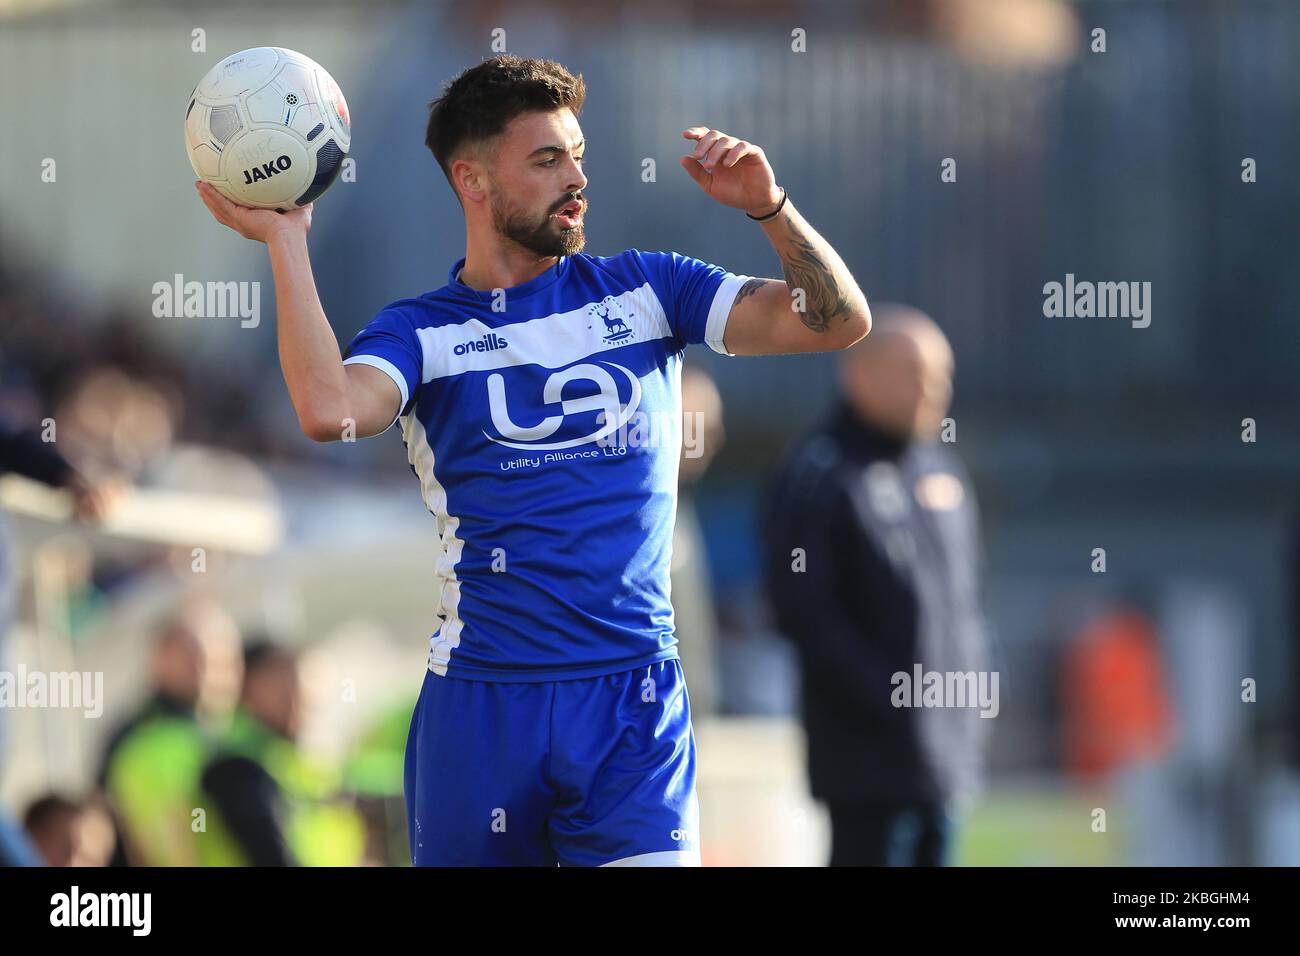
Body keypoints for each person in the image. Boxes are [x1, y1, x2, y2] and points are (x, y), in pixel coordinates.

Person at [194, 54, 871, 866]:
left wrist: (771, 207)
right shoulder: (420, 332)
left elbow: (836, 323)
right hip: (482, 709)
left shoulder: (651, 290)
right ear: (472, 182)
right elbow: (327, 411)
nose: (576, 177)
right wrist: (287, 239)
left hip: (633, 702)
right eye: (547, 160)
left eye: (577, 154)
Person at [761, 305, 992, 866]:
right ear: (859, 375)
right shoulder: (820, 474)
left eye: (942, 376)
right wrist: (893, 702)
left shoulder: (943, 474)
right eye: (914, 373)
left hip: (948, 761)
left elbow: (968, 604)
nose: (932, 391)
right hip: (867, 770)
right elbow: (803, 613)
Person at [98, 600, 243, 866]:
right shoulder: (135, 737)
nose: (208, 669)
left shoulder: (240, 733)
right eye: (195, 656)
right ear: (160, 659)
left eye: (223, 659)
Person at [197, 641, 365, 867]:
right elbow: (271, 856)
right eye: (285, 684)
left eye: (303, 684)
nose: (300, 698)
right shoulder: (238, 766)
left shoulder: (304, 758)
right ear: (249, 686)